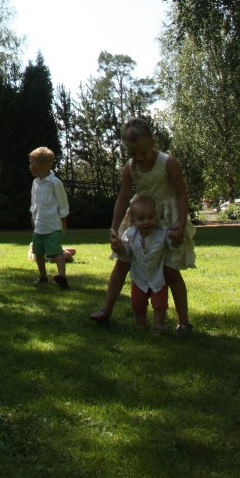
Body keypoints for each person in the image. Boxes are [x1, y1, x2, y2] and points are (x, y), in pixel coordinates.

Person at [90, 117, 195, 330]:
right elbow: (122, 198)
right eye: (133, 154)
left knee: (170, 271)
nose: (139, 158)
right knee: (122, 263)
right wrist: (114, 228)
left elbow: (181, 193)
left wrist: (181, 225)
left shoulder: (167, 162)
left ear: (152, 143)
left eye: (143, 152)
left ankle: (184, 322)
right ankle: (106, 310)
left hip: (167, 219)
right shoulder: (130, 168)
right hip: (140, 219)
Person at [110, 195, 177, 331]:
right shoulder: (130, 234)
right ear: (133, 221)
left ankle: (159, 325)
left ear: (156, 218)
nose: (147, 222)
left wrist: (175, 238)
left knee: (160, 303)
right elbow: (127, 252)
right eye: (141, 219)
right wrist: (119, 248)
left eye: (150, 217)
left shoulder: (163, 233)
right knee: (137, 303)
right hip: (139, 277)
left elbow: (172, 245)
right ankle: (140, 325)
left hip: (158, 277)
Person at [29, 146, 70, 290]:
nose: (30, 166)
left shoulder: (55, 183)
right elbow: (34, 204)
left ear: (42, 165)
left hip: (53, 225)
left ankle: (62, 276)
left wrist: (63, 222)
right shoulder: (35, 183)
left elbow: (63, 204)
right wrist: (33, 220)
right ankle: (43, 276)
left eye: (32, 163)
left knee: (56, 251)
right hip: (40, 225)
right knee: (38, 252)